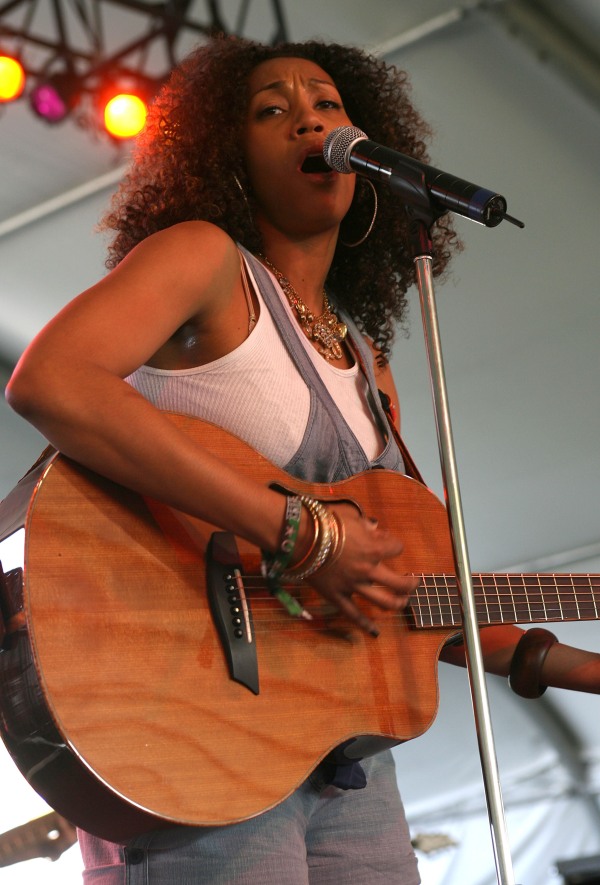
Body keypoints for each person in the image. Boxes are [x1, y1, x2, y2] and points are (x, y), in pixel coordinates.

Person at [5, 36, 600, 885]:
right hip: (189, 724)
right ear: (227, 160)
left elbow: (416, 592)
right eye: (271, 110)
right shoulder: (203, 259)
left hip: (343, 761)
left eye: (325, 103)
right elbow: (52, 380)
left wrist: (583, 670)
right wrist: (300, 531)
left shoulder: (369, 361)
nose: (309, 119)